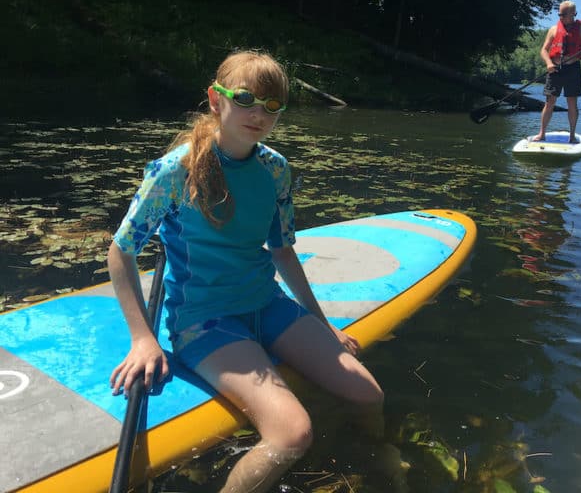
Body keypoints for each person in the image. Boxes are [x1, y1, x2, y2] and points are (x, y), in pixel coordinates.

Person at [108, 50, 384, 493]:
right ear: (217, 101)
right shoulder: (175, 171)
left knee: (369, 395)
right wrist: (143, 338)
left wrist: (320, 321)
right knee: (292, 433)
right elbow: (121, 252)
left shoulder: (275, 169)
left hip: (266, 303)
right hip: (204, 320)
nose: (259, 113)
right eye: (246, 99)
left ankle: (378, 465)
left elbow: (283, 252)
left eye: (273, 105)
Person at [533, 0, 581, 143]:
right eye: (559, 14)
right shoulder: (553, 29)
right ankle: (542, 133)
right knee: (550, 101)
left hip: (573, 69)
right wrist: (549, 63)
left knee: (572, 102)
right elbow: (544, 50)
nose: (561, 17)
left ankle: (572, 136)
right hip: (555, 69)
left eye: (563, 14)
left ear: (573, 14)